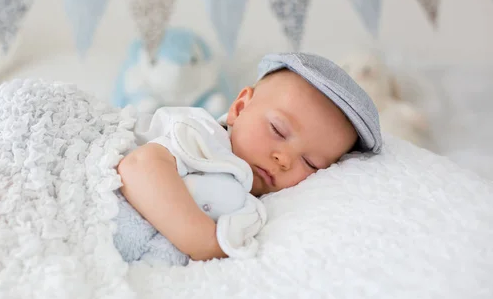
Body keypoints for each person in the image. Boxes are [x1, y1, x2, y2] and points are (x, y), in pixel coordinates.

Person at [117, 52, 382, 262]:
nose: (284, 159)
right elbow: (139, 167)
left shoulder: (256, 205)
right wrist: (206, 243)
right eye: (278, 130)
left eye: (310, 163)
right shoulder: (201, 134)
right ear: (240, 107)